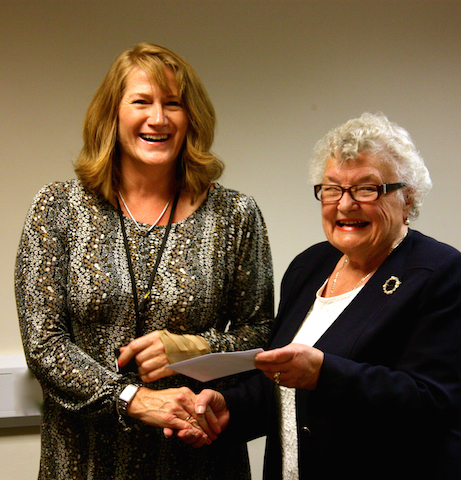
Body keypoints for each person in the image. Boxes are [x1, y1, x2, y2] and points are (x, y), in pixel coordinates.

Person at [15, 42, 273, 480]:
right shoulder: (57, 207)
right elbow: (44, 345)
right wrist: (132, 398)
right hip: (86, 460)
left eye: (173, 104)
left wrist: (193, 348)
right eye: (141, 102)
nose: (158, 118)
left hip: (198, 458)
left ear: (191, 117)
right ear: (111, 115)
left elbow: (261, 335)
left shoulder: (235, 215)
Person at [190, 112, 461, 479]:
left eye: (367, 188)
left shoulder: (439, 271)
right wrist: (231, 408)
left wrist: (325, 373)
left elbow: (434, 402)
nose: (345, 205)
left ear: (408, 197)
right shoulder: (309, 267)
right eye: (332, 188)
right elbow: (287, 385)